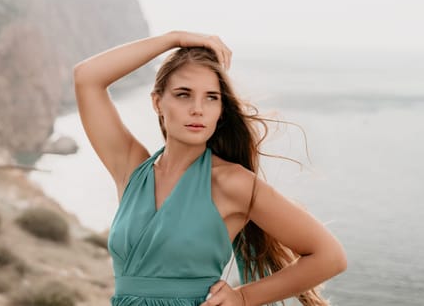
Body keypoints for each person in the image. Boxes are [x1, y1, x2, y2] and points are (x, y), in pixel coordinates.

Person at [73, 31, 347, 306]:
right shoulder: (132, 171)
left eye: (211, 98)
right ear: (157, 102)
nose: (198, 109)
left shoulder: (232, 182)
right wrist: (173, 39)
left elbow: (329, 256)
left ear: (221, 110)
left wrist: (242, 297)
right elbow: (87, 78)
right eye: (183, 95)